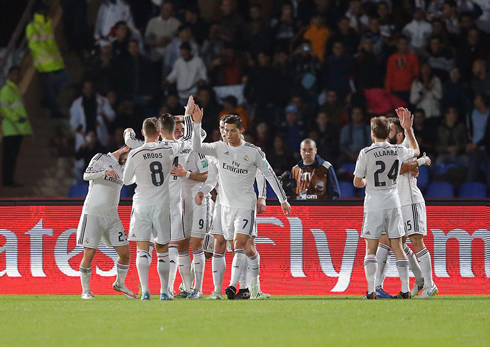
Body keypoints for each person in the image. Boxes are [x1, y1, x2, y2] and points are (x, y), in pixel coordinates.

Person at [191, 109, 291, 300]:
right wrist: (196, 123)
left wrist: (282, 200)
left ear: (241, 130)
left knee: (240, 244)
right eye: (225, 130)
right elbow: (197, 146)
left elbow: (269, 175)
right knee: (231, 247)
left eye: (232, 131)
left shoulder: (253, 152)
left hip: (245, 206)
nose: (227, 134)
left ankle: (234, 286)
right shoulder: (219, 148)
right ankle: (221, 291)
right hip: (223, 206)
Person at [122, 109, 192, 301]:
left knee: (142, 249)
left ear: (143, 133)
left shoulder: (136, 153)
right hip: (163, 204)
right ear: (159, 131)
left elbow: (126, 181)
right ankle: (163, 291)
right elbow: (184, 142)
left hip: (142, 204)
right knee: (163, 249)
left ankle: (144, 291)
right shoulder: (169, 149)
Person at [353, 108, 420, 299]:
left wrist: (367, 180)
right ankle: (406, 290)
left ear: (373, 133)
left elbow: (357, 182)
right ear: (388, 133)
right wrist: (408, 130)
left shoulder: (365, 152)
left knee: (371, 248)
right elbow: (415, 151)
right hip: (393, 200)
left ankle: (371, 290)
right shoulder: (397, 150)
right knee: (397, 246)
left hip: (374, 202)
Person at [373, 116, 437, 299]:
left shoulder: (403, 148)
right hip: (396, 204)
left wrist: (409, 128)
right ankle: (418, 281)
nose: (388, 134)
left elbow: (412, 153)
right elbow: (403, 165)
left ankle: (430, 285)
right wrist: (418, 163)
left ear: (399, 135)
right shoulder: (389, 150)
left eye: (391, 131)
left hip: (410, 201)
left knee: (416, 242)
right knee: (394, 244)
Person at [77, 146, 135, 300]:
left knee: (125, 253)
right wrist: (104, 172)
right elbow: (86, 175)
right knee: (89, 254)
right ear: (125, 149)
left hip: (112, 216)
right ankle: (86, 291)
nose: (130, 160)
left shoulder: (125, 168)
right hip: (93, 214)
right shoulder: (101, 158)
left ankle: (120, 283)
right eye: (129, 155)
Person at [26, 4, 67, 118]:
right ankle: (55, 111)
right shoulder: (33, 26)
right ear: (40, 11)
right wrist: (44, 53)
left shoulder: (46, 24)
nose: (48, 12)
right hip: (43, 63)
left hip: (54, 62)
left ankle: (48, 101)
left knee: (64, 79)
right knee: (49, 89)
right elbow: (33, 44)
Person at [0, 66, 33, 187]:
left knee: (12, 157)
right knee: (9, 157)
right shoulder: (7, 89)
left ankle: (9, 180)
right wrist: (17, 118)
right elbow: (3, 108)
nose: (17, 77)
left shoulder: (14, 89)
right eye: (14, 74)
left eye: (18, 74)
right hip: (11, 129)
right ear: (9, 75)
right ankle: (7, 180)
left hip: (16, 129)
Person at [70, 81, 116, 148]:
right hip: (84, 135)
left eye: (90, 88)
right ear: (83, 90)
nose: (88, 91)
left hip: (99, 133)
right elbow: (73, 122)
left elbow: (111, 115)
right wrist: (80, 130)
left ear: (93, 89)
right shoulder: (77, 104)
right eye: (86, 89)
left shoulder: (102, 100)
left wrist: (102, 116)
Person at [385, 36, 420, 105]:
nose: (403, 46)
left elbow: (417, 73)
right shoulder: (392, 58)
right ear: (397, 45)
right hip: (396, 90)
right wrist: (388, 91)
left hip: (410, 89)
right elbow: (390, 75)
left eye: (405, 44)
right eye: (401, 44)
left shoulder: (413, 57)